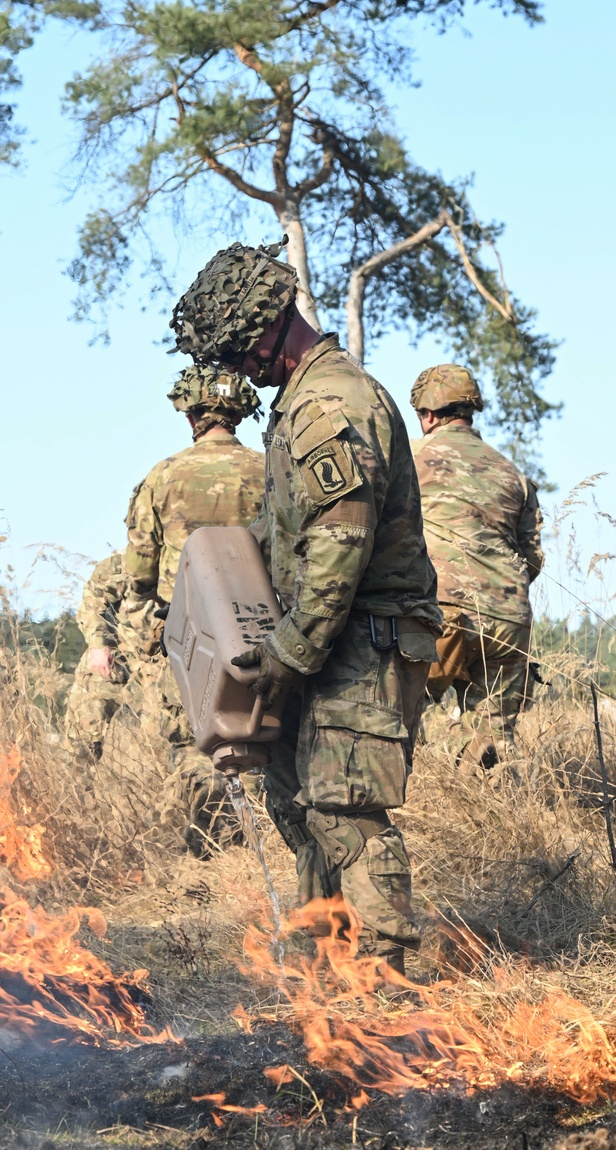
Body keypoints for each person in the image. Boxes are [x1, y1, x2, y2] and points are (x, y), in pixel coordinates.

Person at [170, 241, 442, 972]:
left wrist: (287, 655)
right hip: (328, 640)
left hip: (362, 643)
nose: (238, 372)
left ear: (269, 326)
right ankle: (330, 967)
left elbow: (338, 550)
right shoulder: (300, 403)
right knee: (299, 803)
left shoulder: (327, 405)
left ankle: (387, 990)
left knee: (345, 811)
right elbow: (286, 538)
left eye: (239, 352)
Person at [121, 363, 264, 854]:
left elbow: (139, 572)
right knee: (268, 738)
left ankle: (210, 854)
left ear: (190, 416)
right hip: (263, 632)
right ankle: (265, 844)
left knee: (191, 745)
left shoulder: (164, 477)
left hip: (188, 637)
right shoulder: (270, 472)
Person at [410, 363, 544, 767]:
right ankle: (494, 814)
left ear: (428, 414)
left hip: (440, 612)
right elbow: (532, 558)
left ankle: (416, 809)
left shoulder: (408, 458)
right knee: (493, 737)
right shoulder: (513, 472)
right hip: (508, 618)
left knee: (393, 717)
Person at [64, 551, 129, 760]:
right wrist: (99, 646)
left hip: (164, 665)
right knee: (82, 739)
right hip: (117, 660)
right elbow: (92, 604)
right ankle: (74, 790)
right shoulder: (124, 563)